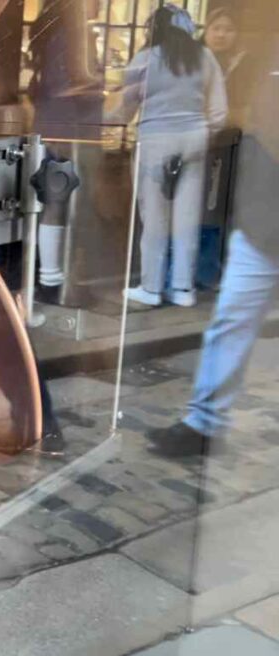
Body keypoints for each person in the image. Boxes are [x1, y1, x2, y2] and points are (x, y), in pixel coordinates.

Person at [148, 24, 279, 457]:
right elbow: (247, 120)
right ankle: (203, 422)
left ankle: (204, 421)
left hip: (260, 210)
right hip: (263, 215)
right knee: (231, 319)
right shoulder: (266, 52)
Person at [121, 5, 228, 309]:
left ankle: (151, 287)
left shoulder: (145, 58)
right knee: (187, 217)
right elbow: (219, 111)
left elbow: (127, 105)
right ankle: (183, 288)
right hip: (193, 140)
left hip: (155, 142)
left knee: (154, 218)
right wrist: (205, 134)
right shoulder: (204, 57)